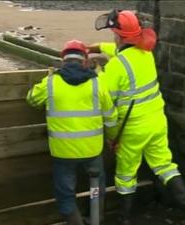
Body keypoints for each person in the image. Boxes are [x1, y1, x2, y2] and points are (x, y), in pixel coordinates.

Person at [89, 10, 185, 225]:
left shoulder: (115, 67)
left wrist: (113, 137)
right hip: (157, 121)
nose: (113, 37)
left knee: (126, 175)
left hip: (133, 129)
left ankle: (125, 218)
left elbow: (104, 100)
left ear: (119, 36)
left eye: (113, 33)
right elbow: (120, 51)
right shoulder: (145, 53)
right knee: (165, 166)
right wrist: (94, 47)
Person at [26, 40, 118, 225]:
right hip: (92, 150)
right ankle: (96, 219)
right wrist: (112, 138)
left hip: (63, 152)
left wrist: (48, 78)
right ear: (84, 60)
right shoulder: (97, 83)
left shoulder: (51, 82)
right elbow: (111, 117)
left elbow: (32, 99)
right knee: (96, 188)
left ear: (63, 60)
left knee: (66, 194)